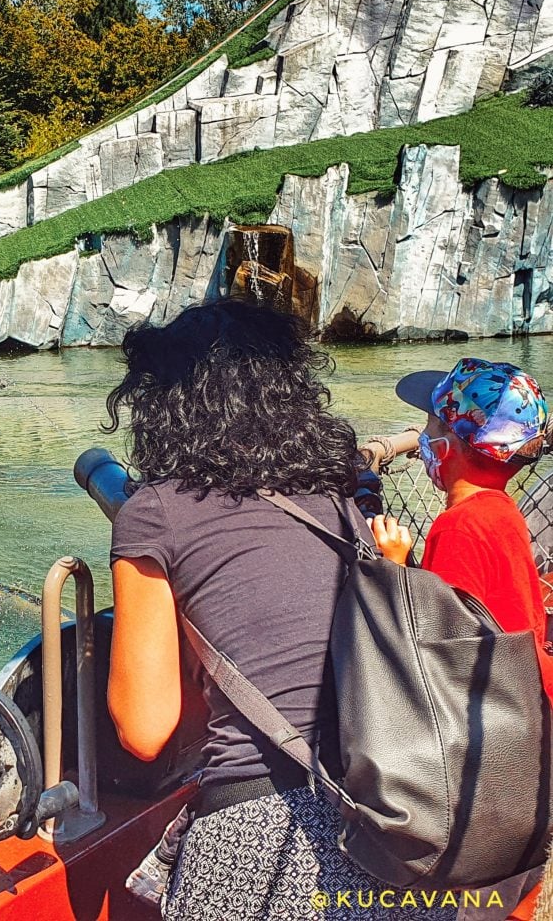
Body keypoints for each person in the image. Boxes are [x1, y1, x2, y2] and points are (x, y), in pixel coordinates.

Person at [104, 299, 450, 921]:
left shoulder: (154, 512)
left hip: (257, 837)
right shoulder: (338, 505)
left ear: (166, 405)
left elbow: (145, 729)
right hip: (391, 822)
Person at [369, 357, 553, 699]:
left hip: (497, 710)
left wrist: (393, 566)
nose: (423, 436)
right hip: (527, 693)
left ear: (447, 447)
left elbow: (441, 646)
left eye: (430, 426)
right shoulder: (502, 509)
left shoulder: (459, 528)